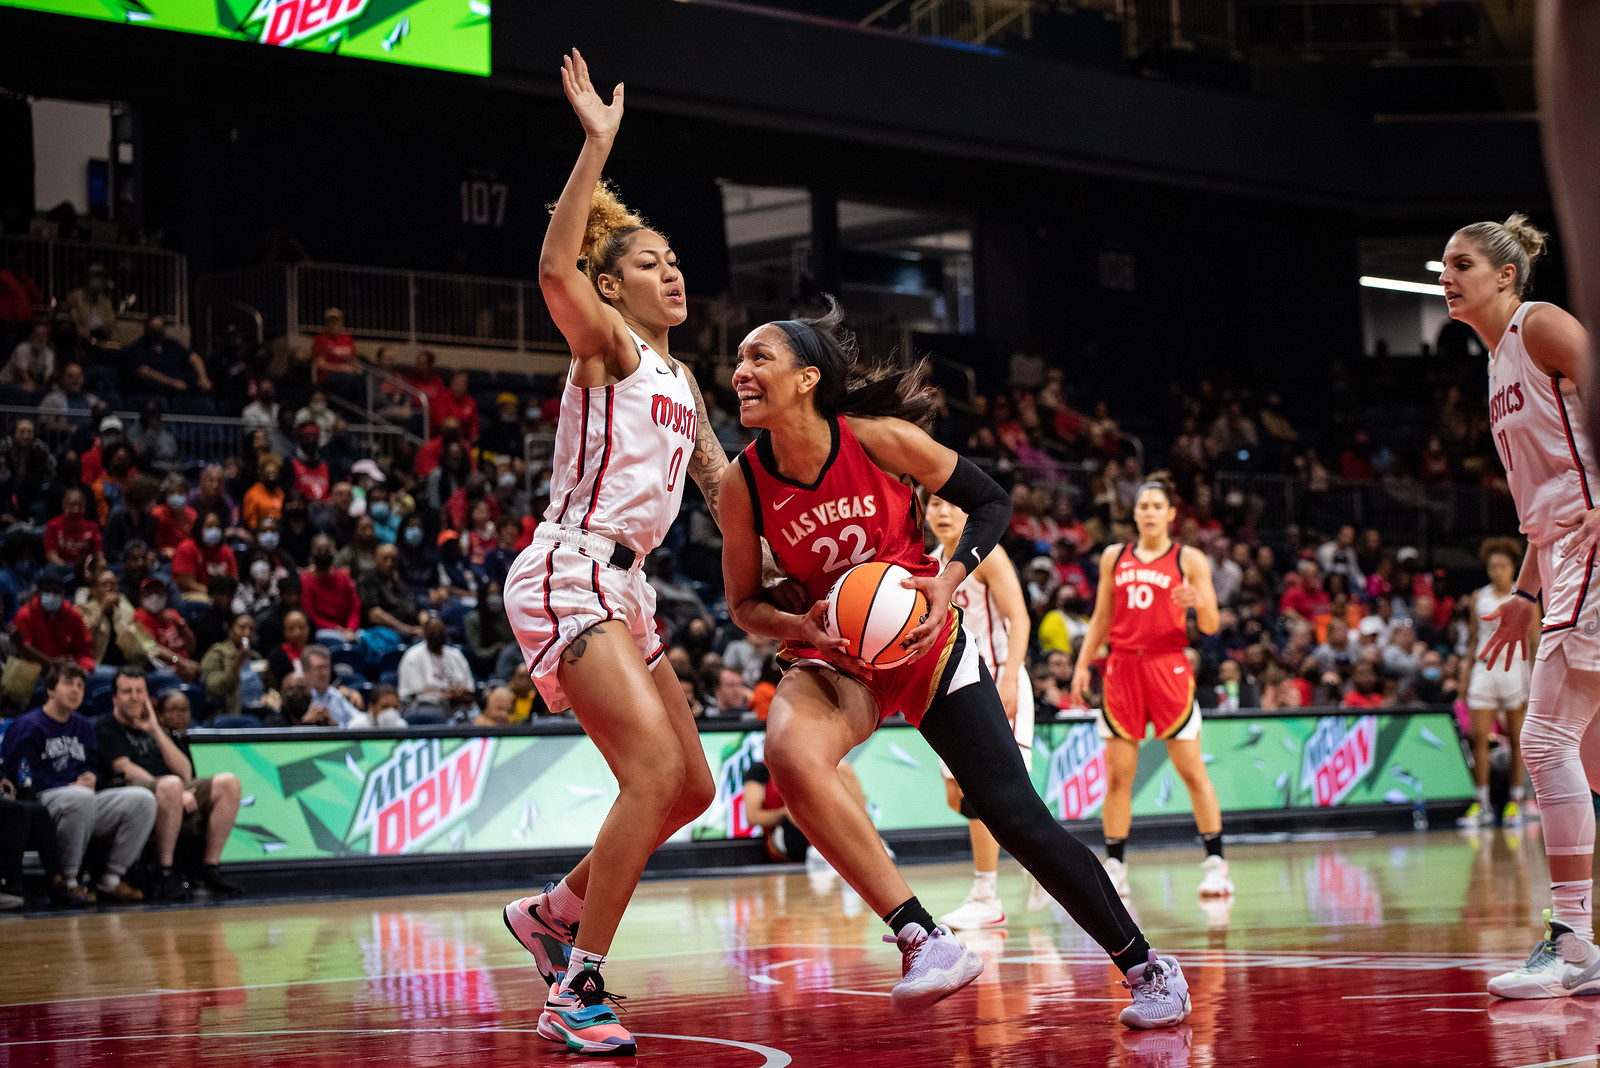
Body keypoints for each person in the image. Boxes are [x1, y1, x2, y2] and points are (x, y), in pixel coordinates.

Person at [719, 297, 1190, 1029]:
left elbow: (991, 501)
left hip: (924, 641)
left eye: (760, 358)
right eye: (738, 360)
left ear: (808, 378)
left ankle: (1148, 968)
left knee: (1015, 817)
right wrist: (798, 622)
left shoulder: (877, 439)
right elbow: (744, 604)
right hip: (837, 653)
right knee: (789, 753)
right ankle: (923, 937)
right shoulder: (742, 483)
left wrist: (949, 578)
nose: (740, 372)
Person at [498, 52, 736, 1057]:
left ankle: (551, 915)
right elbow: (554, 270)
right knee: (650, 769)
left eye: (675, 260)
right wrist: (595, 145)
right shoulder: (606, 347)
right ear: (610, 286)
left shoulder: (682, 380)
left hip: (629, 589)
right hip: (571, 569)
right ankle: (576, 986)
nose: (671, 272)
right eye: (648, 263)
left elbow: (724, 490)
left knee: (690, 788)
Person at [1433, 215, 1600, 998]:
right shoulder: (1499, 363)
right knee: (1589, 757)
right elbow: (1546, 503)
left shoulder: (1540, 326)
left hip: (1592, 547)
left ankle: (1573, 943)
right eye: (1443, 266)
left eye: (1461, 263)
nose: (1446, 276)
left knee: (1544, 738)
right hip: (1561, 555)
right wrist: (1525, 591)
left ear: (1506, 274)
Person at [1070, 477, 1231, 900]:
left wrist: (1199, 601)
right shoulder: (1114, 556)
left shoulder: (1189, 558)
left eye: (1158, 506)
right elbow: (1102, 616)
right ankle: (1116, 866)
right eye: (1144, 506)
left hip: (1167, 664)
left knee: (1191, 771)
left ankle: (1216, 864)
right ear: (1135, 512)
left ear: (1171, 513)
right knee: (1118, 776)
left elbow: (1211, 625)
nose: (1150, 512)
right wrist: (1083, 664)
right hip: (1122, 666)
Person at [925, 491, 1045, 928]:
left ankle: (986, 894)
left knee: (987, 792)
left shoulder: (987, 554)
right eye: (933, 504)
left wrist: (1011, 677)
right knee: (956, 794)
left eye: (950, 504)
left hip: (995, 678)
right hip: (951, 686)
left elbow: (1020, 618)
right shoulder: (927, 564)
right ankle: (1039, 858)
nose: (941, 512)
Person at [0, 664, 155, 904]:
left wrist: (91, 775)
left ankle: (111, 879)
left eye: (80, 685)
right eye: (68, 683)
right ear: (50, 689)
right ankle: (69, 881)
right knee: (81, 797)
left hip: (82, 799)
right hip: (43, 800)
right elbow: (21, 776)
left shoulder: (83, 725)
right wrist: (68, 785)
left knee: (142, 799)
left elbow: (93, 764)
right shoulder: (27, 725)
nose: (75, 690)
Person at [96, 668, 244, 899]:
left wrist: (155, 729)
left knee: (229, 783)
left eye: (139, 691)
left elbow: (185, 770)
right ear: (115, 697)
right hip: (133, 796)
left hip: (171, 791)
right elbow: (125, 769)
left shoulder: (153, 729)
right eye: (127, 692)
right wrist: (174, 792)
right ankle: (164, 872)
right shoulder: (107, 726)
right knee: (172, 785)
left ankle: (210, 868)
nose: (134, 697)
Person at [1459, 539, 1538, 830]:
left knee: (1518, 739)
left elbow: (1535, 641)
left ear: (1513, 568)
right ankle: (1481, 804)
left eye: (1503, 566)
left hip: (1515, 667)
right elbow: (1472, 639)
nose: (1497, 571)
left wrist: (1536, 680)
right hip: (1484, 669)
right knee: (1478, 737)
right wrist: (1465, 676)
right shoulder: (1478, 597)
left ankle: (1516, 802)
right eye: (1492, 566)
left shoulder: (1526, 597)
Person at [11, 575, 96, 674]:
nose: (52, 595)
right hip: (35, 673)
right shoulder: (25, 616)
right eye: (47, 591)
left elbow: (84, 650)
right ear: (39, 593)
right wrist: (50, 663)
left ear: (62, 594)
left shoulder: (72, 615)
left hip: (70, 672)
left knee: (106, 675)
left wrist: (83, 669)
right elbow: (23, 653)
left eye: (56, 592)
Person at [396, 616, 474, 720]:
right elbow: (413, 694)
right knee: (435, 711)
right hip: (424, 707)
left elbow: (469, 687)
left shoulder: (455, 654)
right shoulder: (413, 656)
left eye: (440, 631)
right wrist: (447, 695)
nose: (437, 634)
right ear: (425, 634)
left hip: (457, 705)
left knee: (470, 713)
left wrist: (461, 692)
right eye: (433, 631)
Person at [126, 315, 214, 400]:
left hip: (182, 383)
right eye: (154, 328)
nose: (158, 331)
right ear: (147, 329)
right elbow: (143, 371)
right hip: (158, 388)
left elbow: (194, 357)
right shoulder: (138, 347)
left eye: (160, 328)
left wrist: (203, 378)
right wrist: (172, 382)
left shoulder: (171, 344)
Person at [134, 577, 202, 681]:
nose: (155, 596)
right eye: (149, 592)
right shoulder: (141, 615)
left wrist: (180, 626)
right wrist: (181, 662)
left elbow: (192, 647)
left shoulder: (172, 613)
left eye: (158, 592)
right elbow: (154, 648)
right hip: (162, 669)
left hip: (185, 665)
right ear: (141, 597)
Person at [201, 613, 266, 720]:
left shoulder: (256, 656)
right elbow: (215, 688)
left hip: (258, 710)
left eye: (251, 629)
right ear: (230, 630)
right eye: (242, 628)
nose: (247, 633)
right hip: (229, 713)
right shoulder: (217, 653)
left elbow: (266, 686)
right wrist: (238, 663)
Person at [301, 534, 361, 642]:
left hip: (349, 630)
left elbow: (355, 607)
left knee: (368, 637)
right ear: (312, 553)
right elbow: (310, 615)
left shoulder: (343, 576)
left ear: (333, 551)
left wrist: (351, 628)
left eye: (327, 549)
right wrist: (337, 629)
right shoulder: (306, 579)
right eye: (319, 549)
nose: (323, 552)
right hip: (323, 631)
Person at [171, 514, 238, 599]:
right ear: (199, 529)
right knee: (205, 601)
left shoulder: (226, 550)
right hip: (192, 594)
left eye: (217, 526)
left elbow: (234, 580)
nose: (214, 530)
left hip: (222, 596)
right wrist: (214, 595)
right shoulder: (187, 547)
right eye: (209, 526)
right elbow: (187, 583)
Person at [302, 644, 362, 727]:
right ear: (306, 672)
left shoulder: (336, 695)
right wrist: (304, 722)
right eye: (318, 668)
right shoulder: (298, 697)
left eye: (326, 667)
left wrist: (333, 725)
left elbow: (359, 720)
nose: (324, 673)